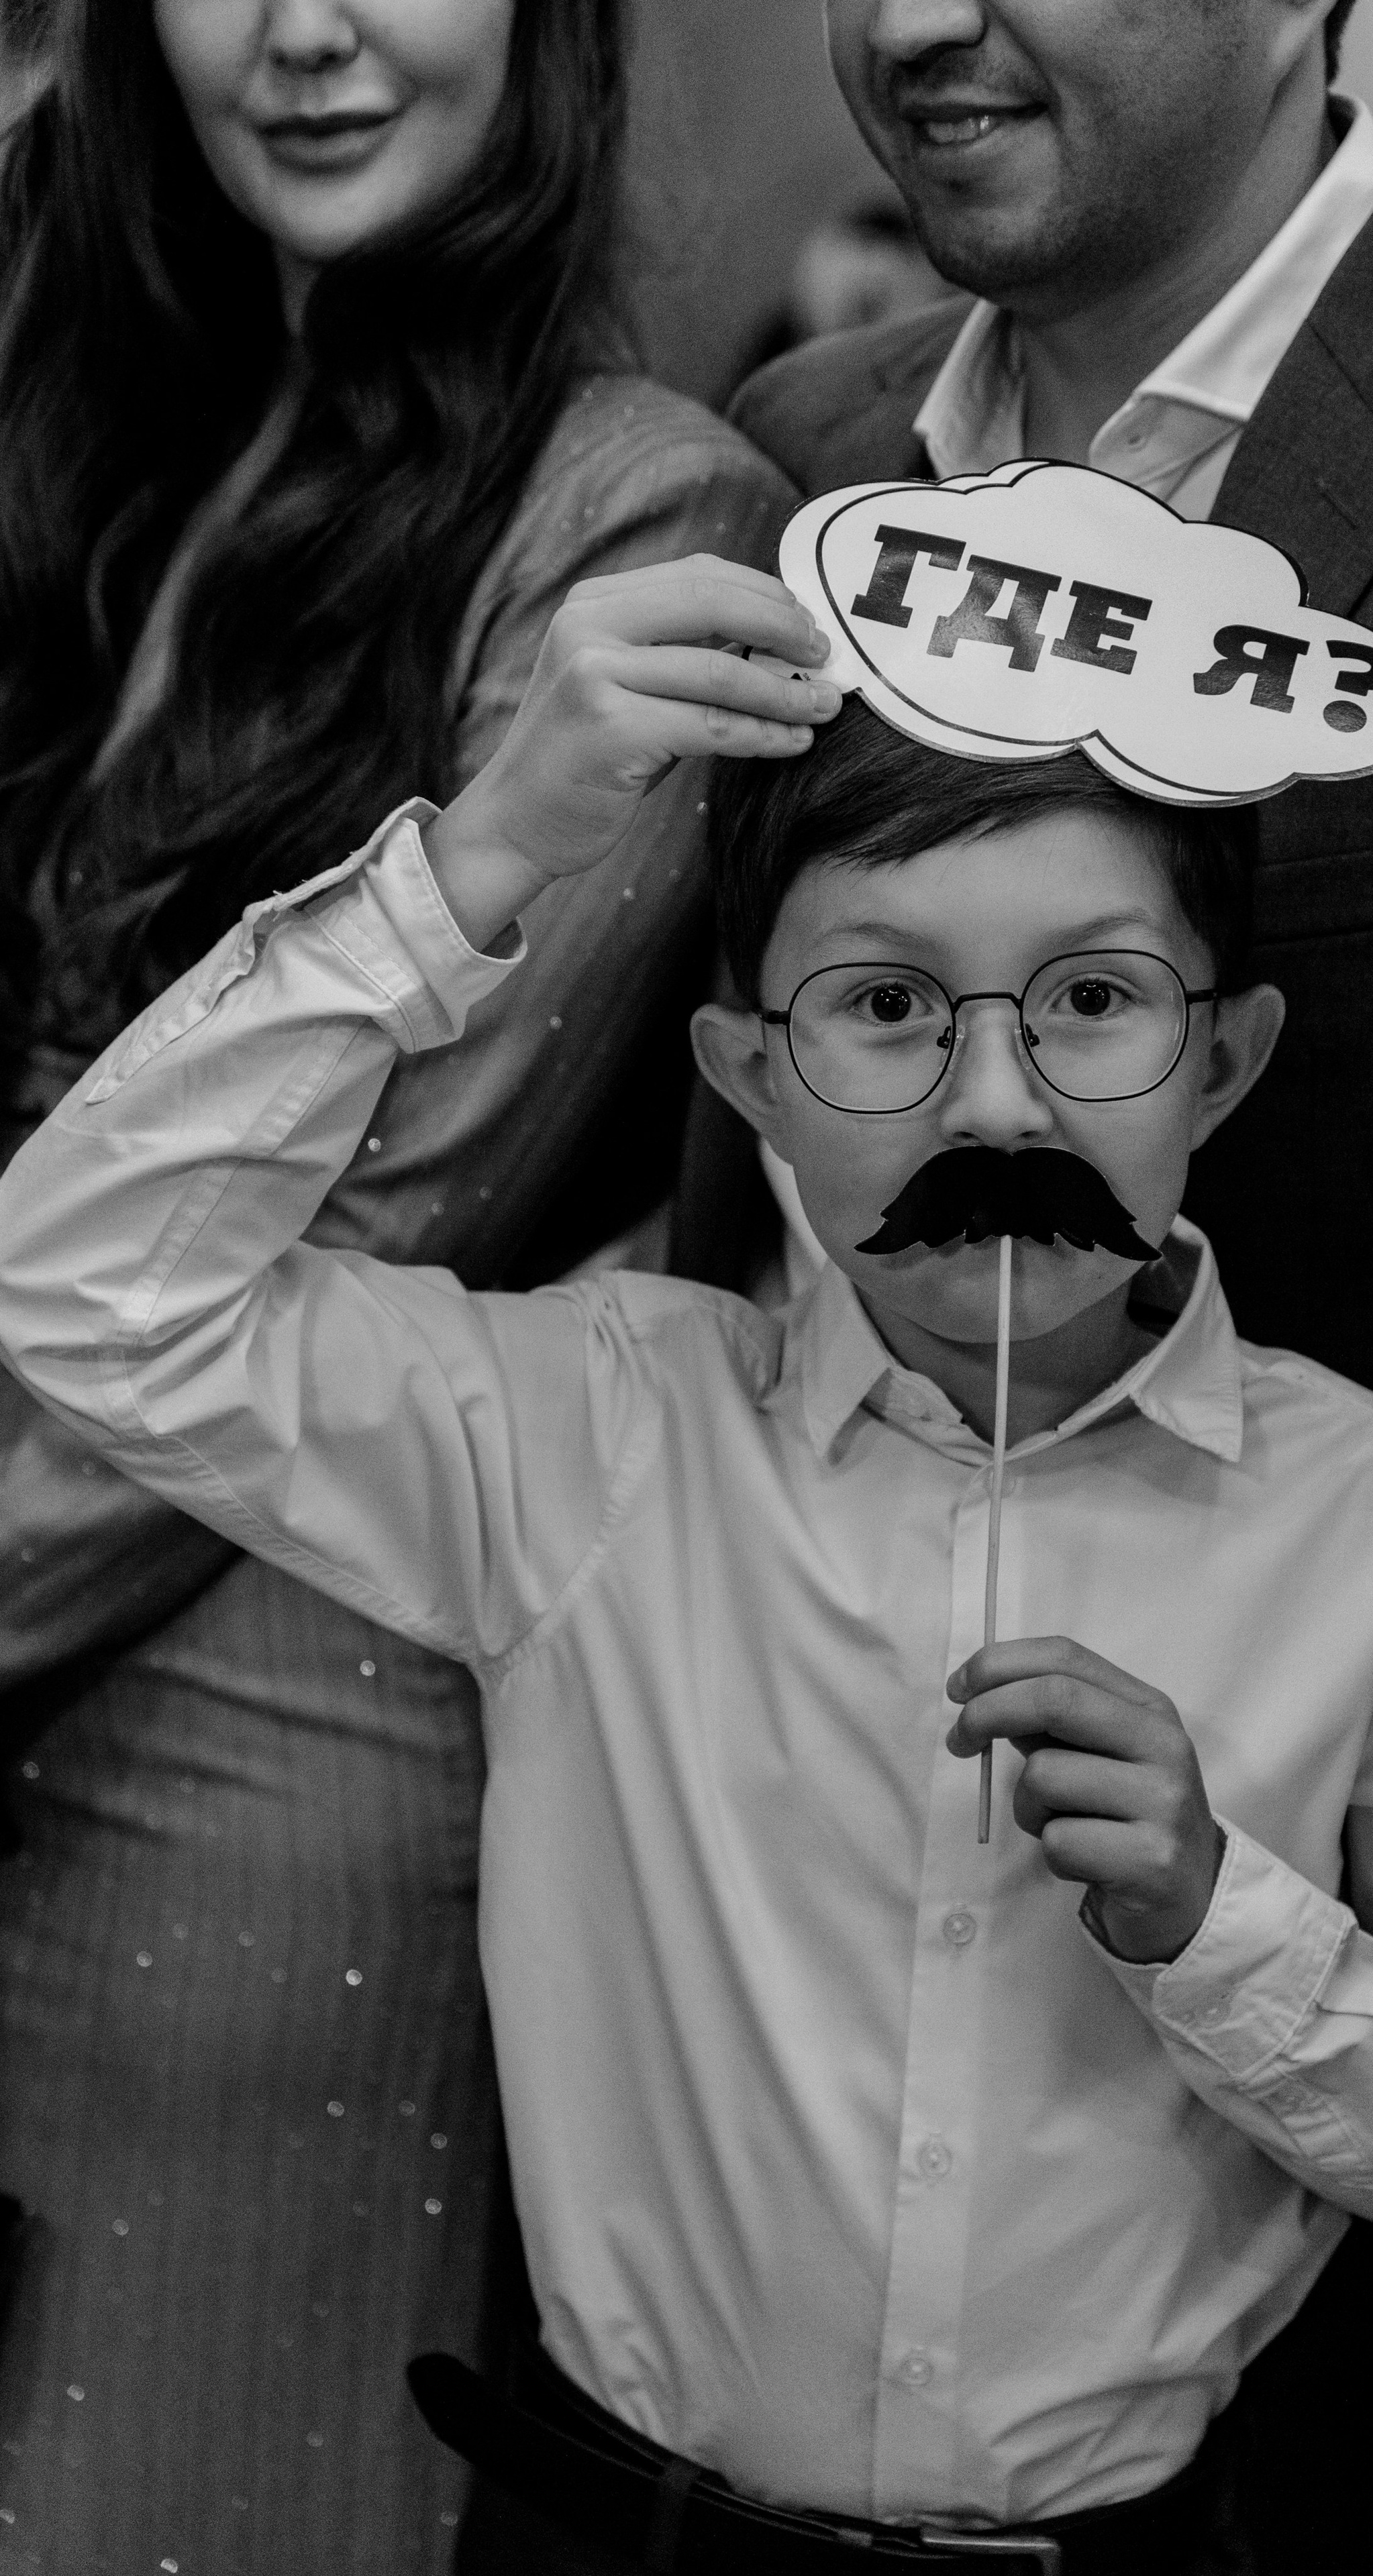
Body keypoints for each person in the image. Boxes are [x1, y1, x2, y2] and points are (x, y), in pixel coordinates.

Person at [0, 549, 1373, 2575]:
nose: (992, 1095)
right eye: (879, 1007)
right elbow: (86, 1289)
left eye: (1096, 1003)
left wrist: (1227, 1926)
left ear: (1224, 1058)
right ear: (748, 1072)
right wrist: (489, 853)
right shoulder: (589, 1439)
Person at [672, 3, 1373, 2563]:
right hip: (757, 2129)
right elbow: (718, 1241)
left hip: (1292, 2123)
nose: (920, 24)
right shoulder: (796, 454)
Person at [0, 1, 792, 2565]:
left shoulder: (638, 519)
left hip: (260, 1659)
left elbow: (353, 1229)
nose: (307, 29)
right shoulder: (92, 393)